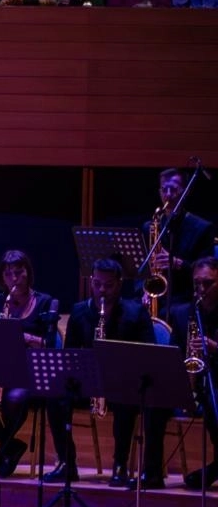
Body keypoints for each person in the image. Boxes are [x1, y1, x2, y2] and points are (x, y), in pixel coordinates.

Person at [46, 258, 166, 488]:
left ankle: (120, 464)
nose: (102, 290)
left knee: (125, 401)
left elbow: (149, 353)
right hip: (90, 381)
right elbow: (70, 354)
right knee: (55, 398)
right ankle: (67, 462)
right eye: (97, 284)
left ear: (119, 284)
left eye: (109, 285)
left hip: (123, 382)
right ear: (91, 281)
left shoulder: (136, 312)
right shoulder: (80, 312)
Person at [0, 250, 60, 479]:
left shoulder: (45, 302)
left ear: (28, 273)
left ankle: (6, 449)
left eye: (19, 272)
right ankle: (11, 445)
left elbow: (50, 344)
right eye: (8, 274)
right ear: (1, 277)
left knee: (14, 399)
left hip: (29, 371)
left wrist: (23, 337)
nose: (14, 279)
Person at [170, 257, 217, 488]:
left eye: (208, 283)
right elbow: (172, 354)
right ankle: (152, 472)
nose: (201, 289)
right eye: (197, 283)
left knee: (214, 401)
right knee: (152, 403)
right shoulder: (181, 313)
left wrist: (214, 348)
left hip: (215, 382)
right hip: (188, 383)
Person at [142, 166, 216, 308]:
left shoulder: (203, 228)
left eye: (173, 189)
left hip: (186, 296)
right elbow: (140, 268)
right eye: (164, 189)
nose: (168, 194)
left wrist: (178, 263)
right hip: (156, 296)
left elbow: (207, 270)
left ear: (185, 192)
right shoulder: (149, 227)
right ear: (159, 192)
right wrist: (144, 291)